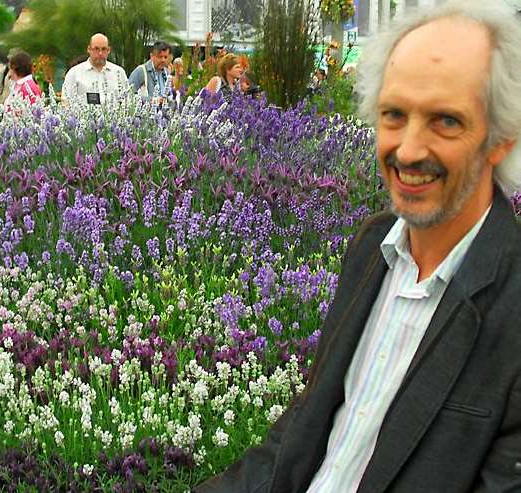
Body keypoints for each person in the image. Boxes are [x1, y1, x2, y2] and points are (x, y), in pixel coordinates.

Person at [196, 1, 521, 492]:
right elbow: (303, 436)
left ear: (500, 140)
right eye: (394, 115)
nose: (408, 150)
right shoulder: (374, 247)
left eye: (445, 121)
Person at [61, 33, 128, 105]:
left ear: (109, 50)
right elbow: (66, 103)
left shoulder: (119, 73)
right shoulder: (74, 73)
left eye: (104, 49)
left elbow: (127, 101)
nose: (100, 53)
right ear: (89, 49)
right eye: (96, 49)